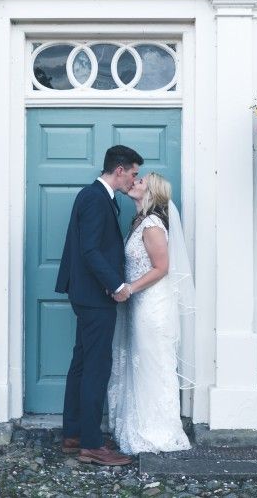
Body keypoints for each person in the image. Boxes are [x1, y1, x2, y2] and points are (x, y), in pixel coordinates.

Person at [55, 144, 144, 466]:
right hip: (95, 297)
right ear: (119, 170)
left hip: (87, 295)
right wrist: (117, 285)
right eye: (133, 174)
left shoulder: (98, 197)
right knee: (95, 368)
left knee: (82, 364)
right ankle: (91, 444)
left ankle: (74, 433)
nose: (135, 180)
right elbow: (91, 250)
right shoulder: (94, 198)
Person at [107, 172, 193, 455]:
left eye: (141, 181)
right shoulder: (139, 222)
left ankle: (159, 431)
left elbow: (161, 268)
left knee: (153, 364)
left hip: (152, 306)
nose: (135, 182)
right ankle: (138, 425)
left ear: (151, 192)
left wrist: (130, 288)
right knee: (140, 364)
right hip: (139, 306)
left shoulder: (153, 225)